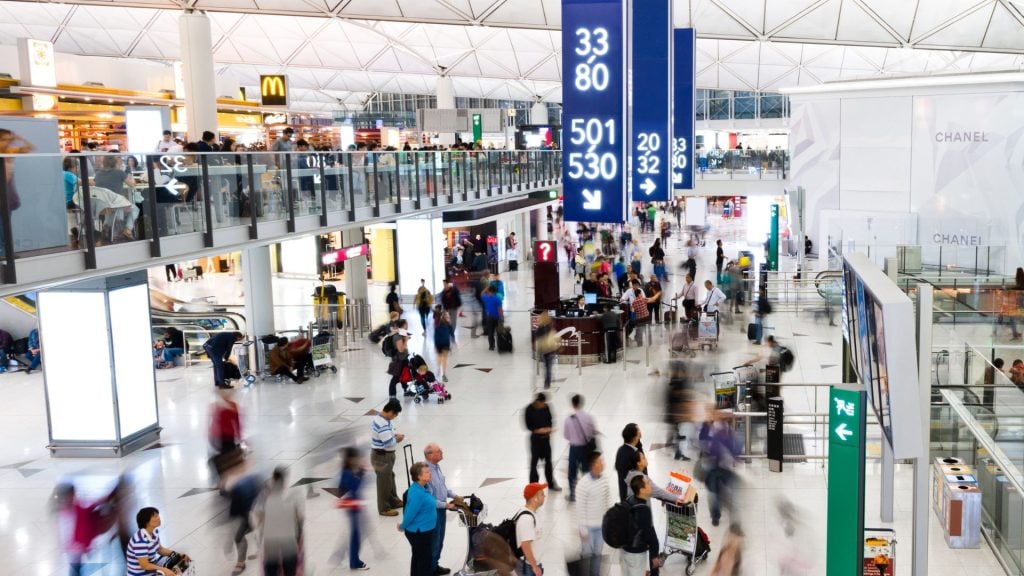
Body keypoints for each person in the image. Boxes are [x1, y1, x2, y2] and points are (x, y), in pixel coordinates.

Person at [254, 467, 304, 576]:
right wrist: (300, 537)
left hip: (270, 542)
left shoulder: (264, 495)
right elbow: (300, 518)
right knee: (290, 571)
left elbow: (258, 518)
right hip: (289, 541)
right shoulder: (292, 494)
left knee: (271, 571)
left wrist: (260, 537)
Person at [424, 444, 464, 575]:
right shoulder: (425, 472)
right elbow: (428, 499)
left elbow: (442, 487)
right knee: (434, 542)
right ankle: (430, 570)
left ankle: (435, 565)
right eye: (439, 451)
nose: (442, 452)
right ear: (430, 455)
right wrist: (446, 505)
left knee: (440, 540)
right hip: (433, 512)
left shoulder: (436, 467)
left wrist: (454, 496)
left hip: (441, 510)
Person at [700, 411, 741, 526]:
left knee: (726, 489)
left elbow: (732, 447)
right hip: (711, 467)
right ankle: (716, 515)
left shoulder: (727, 431)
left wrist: (735, 456)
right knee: (714, 493)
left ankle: (729, 513)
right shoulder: (709, 430)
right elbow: (707, 447)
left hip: (723, 467)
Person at [126, 507, 189, 576]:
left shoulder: (154, 532)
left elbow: (160, 549)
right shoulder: (140, 541)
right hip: (140, 574)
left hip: (151, 571)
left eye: (158, 515)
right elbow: (145, 565)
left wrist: (178, 554)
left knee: (180, 566)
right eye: (155, 516)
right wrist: (164, 570)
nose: (159, 518)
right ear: (146, 521)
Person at [399, 461, 437, 576]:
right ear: (419, 476)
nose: (430, 473)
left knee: (418, 558)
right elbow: (409, 513)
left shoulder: (422, 488)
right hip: (419, 532)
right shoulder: (417, 493)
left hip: (423, 531)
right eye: (426, 472)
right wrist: (402, 526)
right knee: (424, 561)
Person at [575, 451, 609, 576]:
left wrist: (608, 521)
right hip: (588, 528)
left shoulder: (605, 480)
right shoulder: (583, 484)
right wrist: (583, 529)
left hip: (600, 526)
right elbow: (579, 508)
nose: (603, 463)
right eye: (600, 461)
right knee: (587, 555)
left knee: (597, 554)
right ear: (593, 464)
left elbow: (607, 500)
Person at [621, 476, 662, 576]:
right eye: (647, 483)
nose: (650, 485)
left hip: (626, 550)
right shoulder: (644, 510)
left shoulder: (629, 500)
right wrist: (654, 556)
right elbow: (649, 535)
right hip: (636, 554)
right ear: (642, 490)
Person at [371, 398, 406, 516]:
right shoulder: (382, 423)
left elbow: (386, 436)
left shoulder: (383, 419)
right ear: (390, 411)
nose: (395, 417)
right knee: (383, 482)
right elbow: (388, 443)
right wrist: (397, 439)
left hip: (384, 455)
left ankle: (393, 501)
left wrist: (393, 435)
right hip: (382, 456)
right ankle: (384, 508)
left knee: (389, 478)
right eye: (395, 414)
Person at [227, 469, 265, 576]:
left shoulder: (242, 486)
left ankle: (241, 563)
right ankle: (242, 561)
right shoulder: (242, 484)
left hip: (256, 511)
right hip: (251, 512)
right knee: (240, 535)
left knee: (240, 536)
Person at [338, 447, 370, 571]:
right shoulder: (347, 472)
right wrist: (360, 474)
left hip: (354, 504)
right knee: (355, 535)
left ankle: (353, 559)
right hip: (352, 506)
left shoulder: (348, 470)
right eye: (356, 458)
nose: (358, 460)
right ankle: (354, 561)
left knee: (356, 533)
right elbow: (353, 487)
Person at [524, 393, 561, 490]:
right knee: (534, 463)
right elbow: (528, 425)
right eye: (542, 403)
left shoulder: (546, 407)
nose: (544, 405)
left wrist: (549, 429)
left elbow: (550, 419)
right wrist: (538, 430)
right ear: (537, 401)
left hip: (546, 440)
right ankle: (533, 485)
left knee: (548, 462)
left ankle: (551, 483)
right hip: (535, 440)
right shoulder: (529, 409)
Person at [563, 394, 597, 501]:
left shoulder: (569, 419)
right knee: (586, 470)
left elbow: (566, 435)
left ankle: (573, 494)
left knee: (572, 471)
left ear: (573, 404)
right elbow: (592, 432)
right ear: (582, 403)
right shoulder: (589, 417)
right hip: (586, 448)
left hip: (574, 449)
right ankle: (589, 493)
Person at [209, 388, 243, 486]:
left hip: (228, 437)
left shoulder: (232, 406)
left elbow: (237, 422)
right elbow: (214, 421)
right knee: (226, 458)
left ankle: (222, 480)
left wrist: (239, 435)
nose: (226, 394)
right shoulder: (217, 406)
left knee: (228, 458)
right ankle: (222, 480)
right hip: (219, 437)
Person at [515, 483, 547, 576]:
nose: (544, 496)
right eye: (541, 494)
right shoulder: (526, 519)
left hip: (531, 564)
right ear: (535, 498)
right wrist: (535, 567)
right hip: (528, 567)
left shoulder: (531, 513)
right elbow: (525, 545)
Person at [614, 423, 644, 501]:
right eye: (638, 431)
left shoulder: (622, 450)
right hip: (632, 496)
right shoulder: (632, 454)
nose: (640, 432)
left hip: (627, 494)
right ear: (634, 437)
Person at [533, 313, 558, 389]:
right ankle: (548, 382)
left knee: (546, 367)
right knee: (548, 367)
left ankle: (546, 381)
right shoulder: (550, 328)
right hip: (550, 350)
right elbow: (554, 338)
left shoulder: (539, 329)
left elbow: (537, 338)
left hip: (543, 351)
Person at [434, 310, 454, 383]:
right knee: (440, 357)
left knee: (444, 359)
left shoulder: (449, 325)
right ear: (444, 317)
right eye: (447, 316)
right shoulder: (438, 325)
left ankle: (444, 374)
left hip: (446, 344)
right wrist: (435, 345)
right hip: (440, 343)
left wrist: (453, 341)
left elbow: (452, 334)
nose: (448, 317)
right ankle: (438, 369)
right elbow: (436, 336)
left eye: (449, 316)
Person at [481, 285, 502, 351]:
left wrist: (486, 288)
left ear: (489, 291)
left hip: (489, 317)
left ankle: (491, 346)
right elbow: (500, 310)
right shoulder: (497, 299)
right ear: (495, 292)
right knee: (499, 332)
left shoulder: (486, 297)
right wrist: (501, 318)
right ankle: (500, 345)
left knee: (490, 332)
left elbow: (481, 293)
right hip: (497, 317)